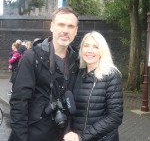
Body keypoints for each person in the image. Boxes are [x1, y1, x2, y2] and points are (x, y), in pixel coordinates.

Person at [8, 7, 79, 141]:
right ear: (52, 27)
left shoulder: (77, 61)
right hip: (33, 134)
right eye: (61, 24)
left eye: (70, 26)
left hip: (63, 133)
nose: (65, 30)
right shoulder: (32, 57)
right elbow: (19, 103)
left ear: (75, 31)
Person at [64, 31, 123, 141]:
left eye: (95, 47)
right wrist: (69, 132)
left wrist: (83, 136)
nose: (90, 50)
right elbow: (70, 109)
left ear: (102, 51)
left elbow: (115, 117)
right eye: (86, 46)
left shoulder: (111, 75)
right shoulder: (77, 73)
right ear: (81, 50)